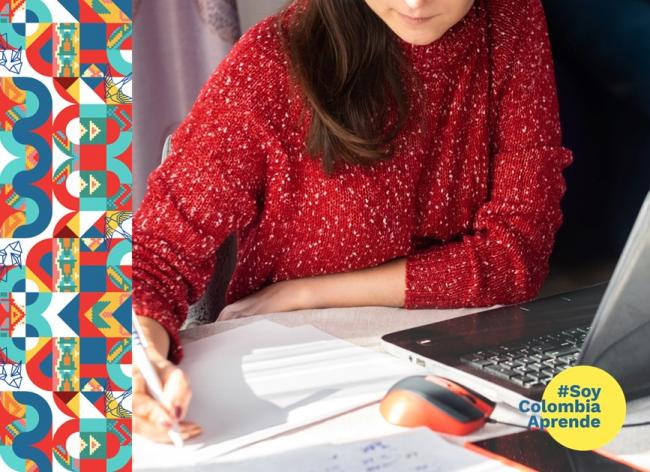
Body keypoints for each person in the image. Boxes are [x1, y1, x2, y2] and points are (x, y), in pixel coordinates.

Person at [133, 0, 573, 443]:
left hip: (459, 369)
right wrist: (141, 358)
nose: (415, 2)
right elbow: (153, 258)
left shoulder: (510, 19)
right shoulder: (270, 63)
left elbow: (516, 256)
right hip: (300, 388)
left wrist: (305, 294)